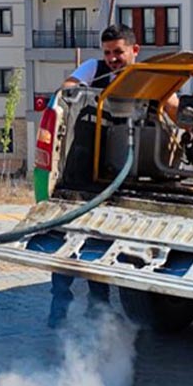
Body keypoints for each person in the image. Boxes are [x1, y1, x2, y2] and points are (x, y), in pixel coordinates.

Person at [47, 24, 143, 327]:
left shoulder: (149, 78)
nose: (113, 59)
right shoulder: (94, 68)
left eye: (119, 52)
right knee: (65, 234)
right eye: (108, 53)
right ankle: (59, 306)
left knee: (98, 240)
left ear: (134, 51)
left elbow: (174, 108)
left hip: (122, 175)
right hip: (82, 168)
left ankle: (98, 307)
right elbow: (68, 88)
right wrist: (76, 89)